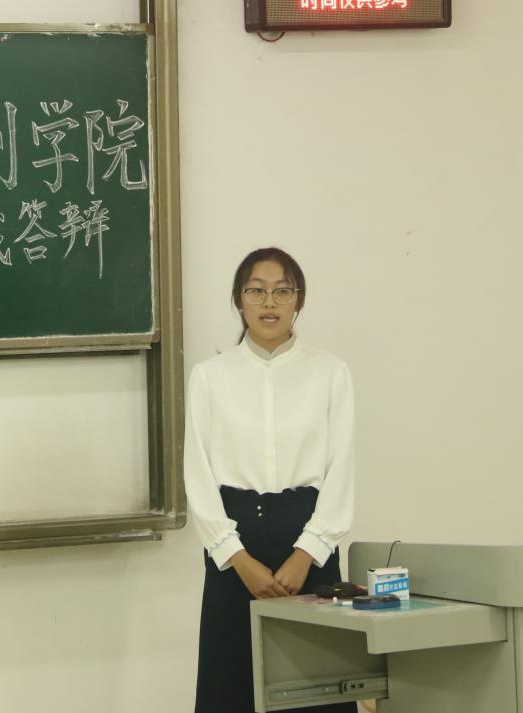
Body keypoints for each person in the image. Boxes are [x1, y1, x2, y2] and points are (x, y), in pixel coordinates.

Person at [184, 247, 357, 713]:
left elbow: (342, 470)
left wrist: (307, 553)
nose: (269, 302)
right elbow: (198, 477)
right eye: (256, 290)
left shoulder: (330, 373)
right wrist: (237, 558)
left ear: (299, 300)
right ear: (238, 300)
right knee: (231, 685)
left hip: (309, 542)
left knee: (318, 685)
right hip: (233, 548)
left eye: (283, 291)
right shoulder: (210, 377)